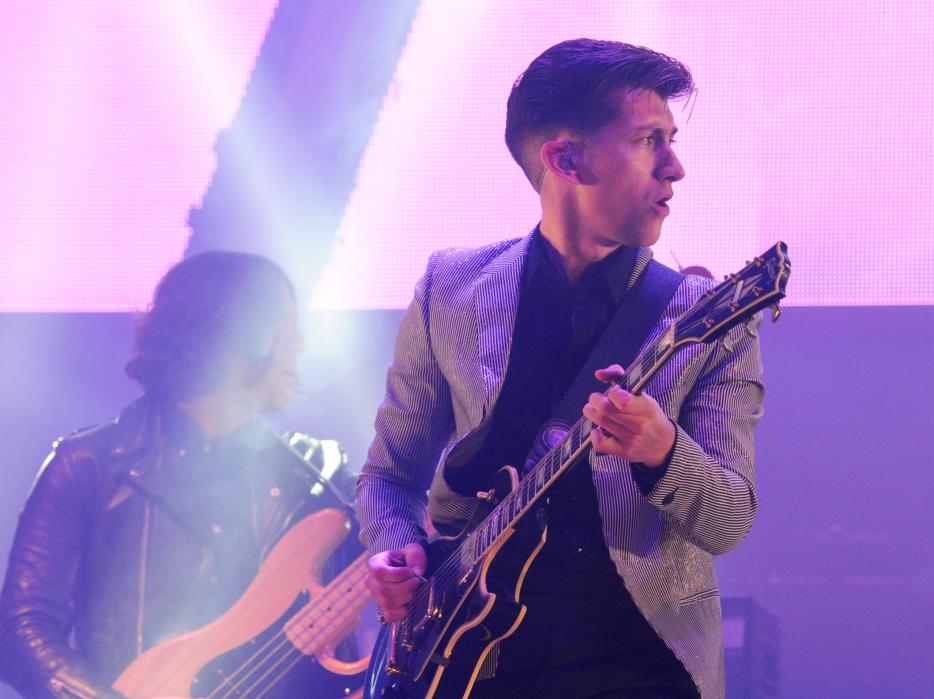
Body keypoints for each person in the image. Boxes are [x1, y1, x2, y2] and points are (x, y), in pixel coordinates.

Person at [359, 38, 764, 699]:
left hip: (640, 666)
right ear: (565, 158)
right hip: (469, 666)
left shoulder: (707, 317)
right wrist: (395, 549)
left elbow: (728, 519)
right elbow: (389, 474)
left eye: (672, 140)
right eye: (648, 140)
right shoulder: (450, 286)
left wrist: (663, 450)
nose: (676, 167)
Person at [0, 252, 358, 698]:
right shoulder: (90, 463)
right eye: (286, 326)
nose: (300, 345)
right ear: (238, 333)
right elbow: (22, 627)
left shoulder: (316, 474)